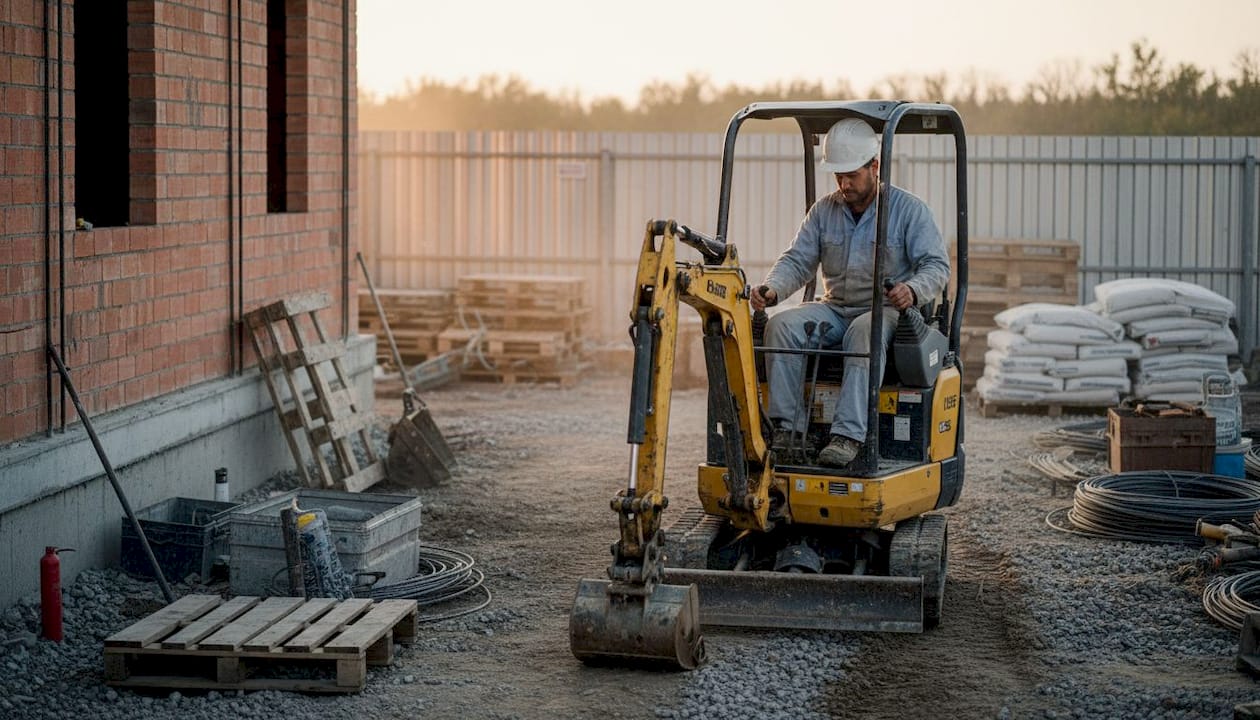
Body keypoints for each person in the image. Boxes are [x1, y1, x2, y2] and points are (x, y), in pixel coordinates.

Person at [750, 117, 950, 467]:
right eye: (838, 176)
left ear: (874, 166)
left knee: (864, 331)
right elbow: (798, 260)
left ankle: (848, 435)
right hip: (835, 307)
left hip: (885, 312)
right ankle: (788, 429)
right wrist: (772, 289)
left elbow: (937, 266)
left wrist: (913, 290)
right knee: (780, 326)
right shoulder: (824, 211)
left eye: (851, 175)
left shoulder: (909, 211)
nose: (844, 184)